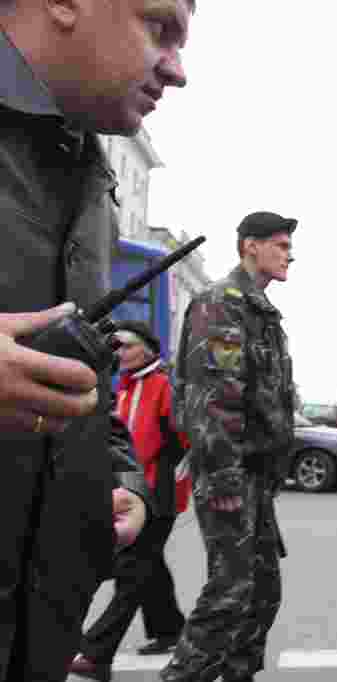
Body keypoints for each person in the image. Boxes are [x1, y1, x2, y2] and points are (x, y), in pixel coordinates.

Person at [0, 0, 193, 678]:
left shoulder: (84, 174)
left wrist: (114, 480)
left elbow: (74, 378)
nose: (177, 71)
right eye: (159, 27)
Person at [161, 211, 297, 682]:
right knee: (231, 591)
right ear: (249, 246)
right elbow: (213, 396)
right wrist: (221, 475)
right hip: (230, 471)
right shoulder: (221, 303)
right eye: (280, 245)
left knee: (262, 592)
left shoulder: (259, 311)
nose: (289, 254)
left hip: (255, 472)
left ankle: (238, 673)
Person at [71, 322, 191, 681]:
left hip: (157, 495)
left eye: (126, 346)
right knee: (149, 568)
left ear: (149, 350)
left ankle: (96, 655)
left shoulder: (163, 385)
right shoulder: (124, 385)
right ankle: (169, 629)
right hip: (134, 491)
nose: (119, 352)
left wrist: (172, 478)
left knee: (131, 573)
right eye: (115, 346)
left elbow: (187, 437)